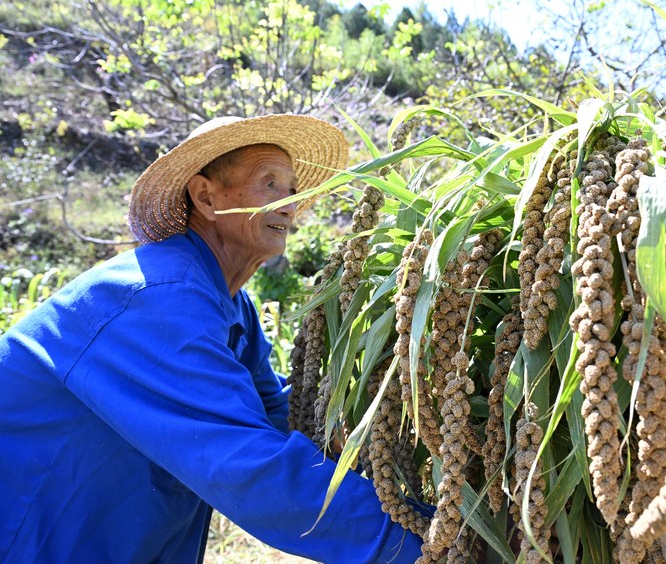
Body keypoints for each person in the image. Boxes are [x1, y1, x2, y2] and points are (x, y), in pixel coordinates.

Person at [0, 114, 424, 563]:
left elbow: (279, 412)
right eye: (269, 184)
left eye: (292, 190)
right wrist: (429, 546)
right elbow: (248, 465)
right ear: (206, 197)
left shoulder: (228, 303)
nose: (289, 206)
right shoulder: (161, 298)